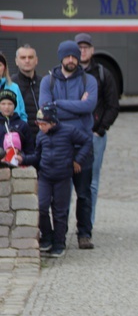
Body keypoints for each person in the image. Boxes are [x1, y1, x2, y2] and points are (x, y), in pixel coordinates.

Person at [39, 40, 97, 250]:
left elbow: (89, 105)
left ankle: (84, 233)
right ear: (61, 57)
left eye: (75, 56)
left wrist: (59, 105)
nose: (72, 59)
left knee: (84, 192)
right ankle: (56, 236)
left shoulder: (88, 80)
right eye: (68, 56)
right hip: (57, 146)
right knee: (56, 196)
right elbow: (45, 109)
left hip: (82, 145)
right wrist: (78, 107)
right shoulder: (48, 81)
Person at [24, 103, 92, 258]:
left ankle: (59, 242)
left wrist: (78, 160)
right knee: (41, 206)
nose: (41, 127)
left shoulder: (69, 131)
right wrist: (24, 159)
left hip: (63, 177)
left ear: (53, 122)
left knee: (59, 212)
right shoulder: (41, 135)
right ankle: (47, 237)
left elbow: (87, 142)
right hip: (45, 176)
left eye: (44, 124)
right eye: (39, 124)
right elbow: (37, 156)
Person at [75, 33, 120, 229]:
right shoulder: (66, 73)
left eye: (86, 47)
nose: (82, 51)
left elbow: (113, 105)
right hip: (71, 137)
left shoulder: (103, 74)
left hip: (94, 136)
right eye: (79, 47)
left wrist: (100, 130)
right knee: (67, 185)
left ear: (92, 50)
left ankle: (88, 225)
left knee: (92, 183)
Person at [11, 44, 40, 137]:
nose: (27, 61)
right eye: (23, 57)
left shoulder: (45, 83)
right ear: (16, 61)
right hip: (20, 138)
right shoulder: (10, 84)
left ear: (36, 60)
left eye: (30, 57)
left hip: (44, 139)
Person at [0, 90, 34, 158]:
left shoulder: (23, 125)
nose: (6, 107)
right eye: (3, 104)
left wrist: (22, 157)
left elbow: (30, 151)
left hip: (18, 165)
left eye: (10, 104)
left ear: (14, 106)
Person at [0, 54, 26, 123]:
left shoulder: (14, 87)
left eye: (0, 65)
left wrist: (21, 129)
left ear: (4, 68)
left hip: (15, 130)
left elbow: (23, 114)